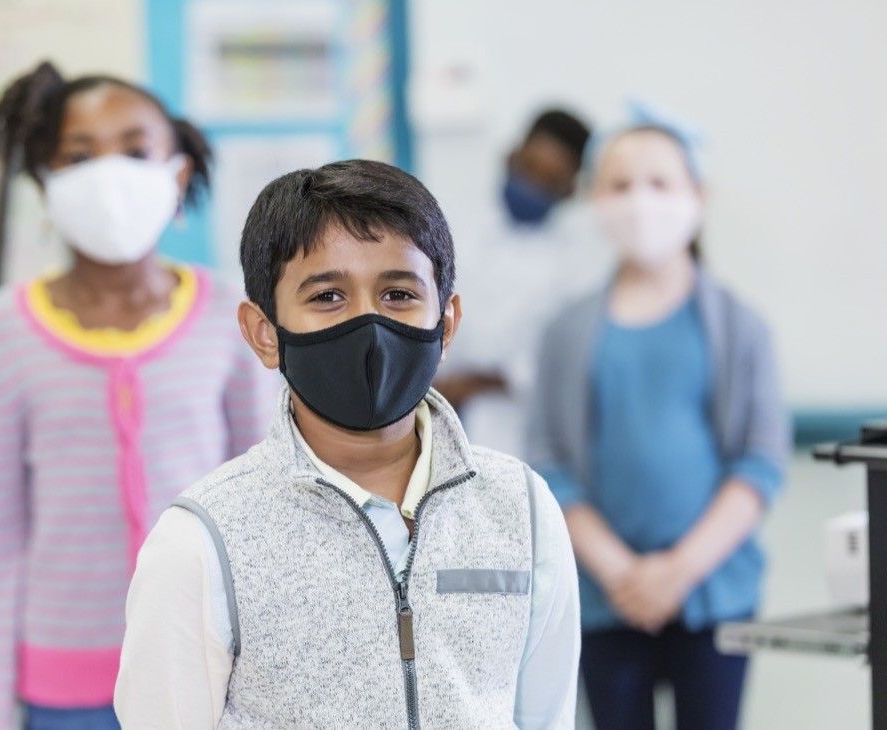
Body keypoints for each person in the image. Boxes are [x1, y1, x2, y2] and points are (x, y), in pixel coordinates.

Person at [116, 159, 580, 728]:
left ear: (448, 321)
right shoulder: (202, 539)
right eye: (328, 297)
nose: (369, 324)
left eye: (399, 294)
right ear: (264, 333)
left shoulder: (521, 508)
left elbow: (547, 715)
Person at [0, 61, 279, 730]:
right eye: (80, 155)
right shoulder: (2, 330)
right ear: (46, 178)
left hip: (211, 670)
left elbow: (267, 505)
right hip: (63, 685)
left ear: (178, 172)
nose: (111, 173)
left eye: (135, 150)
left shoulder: (229, 315)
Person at [526, 109, 791, 730]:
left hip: (715, 592)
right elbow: (549, 461)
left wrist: (678, 570)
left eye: (661, 183)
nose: (640, 201)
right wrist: (622, 573)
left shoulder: (740, 327)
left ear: (698, 197)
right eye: (620, 185)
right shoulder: (566, 331)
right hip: (602, 596)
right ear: (594, 197)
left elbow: (760, 464)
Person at [436, 108, 610, 456]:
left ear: (570, 190)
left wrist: (473, 384)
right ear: (511, 157)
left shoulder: (578, 267)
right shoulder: (453, 226)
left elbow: (557, 361)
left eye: (550, 179)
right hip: (430, 403)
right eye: (529, 168)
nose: (533, 185)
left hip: (511, 429)